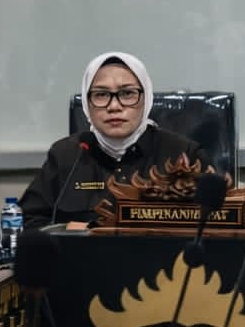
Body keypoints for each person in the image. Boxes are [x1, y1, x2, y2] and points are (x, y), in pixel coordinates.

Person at [18, 51, 209, 227]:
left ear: (147, 98)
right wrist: (77, 231)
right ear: (86, 103)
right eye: (101, 95)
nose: (114, 106)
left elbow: (217, 223)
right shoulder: (66, 155)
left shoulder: (183, 154)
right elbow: (28, 221)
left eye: (127, 93)